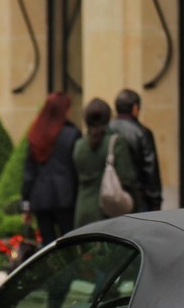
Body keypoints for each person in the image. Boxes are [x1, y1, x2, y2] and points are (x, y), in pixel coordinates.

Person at [21, 92, 80, 248]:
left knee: (47, 246)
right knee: (70, 243)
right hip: (66, 197)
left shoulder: (36, 134)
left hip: (40, 198)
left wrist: (26, 204)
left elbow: (29, 172)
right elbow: (76, 168)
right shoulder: (72, 134)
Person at [71, 98, 143, 228]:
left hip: (82, 211)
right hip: (108, 210)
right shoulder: (116, 142)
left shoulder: (79, 145)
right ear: (108, 117)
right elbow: (126, 178)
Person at [110, 88, 163, 212]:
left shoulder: (106, 129)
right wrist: (156, 200)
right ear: (135, 108)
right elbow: (150, 168)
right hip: (138, 197)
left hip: (110, 194)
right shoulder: (142, 132)